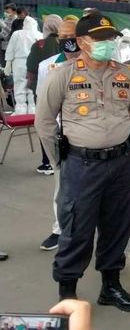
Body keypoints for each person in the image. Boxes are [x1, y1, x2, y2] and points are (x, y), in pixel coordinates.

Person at [35, 13, 130, 310]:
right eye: (101, 39)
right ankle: (67, 294)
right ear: (82, 42)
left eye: (111, 38)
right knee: (76, 230)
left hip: (121, 163)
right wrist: (62, 163)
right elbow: (44, 123)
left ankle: (111, 286)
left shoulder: (128, 74)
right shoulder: (62, 76)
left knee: (118, 224)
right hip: (81, 166)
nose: (108, 44)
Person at [38, 18, 81, 252]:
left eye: (73, 36)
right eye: (64, 37)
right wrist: (54, 148)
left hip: (86, 136)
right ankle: (59, 230)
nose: (69, 41)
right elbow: (43, 109)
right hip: (61, 136)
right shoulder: (48, 66)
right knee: (62, 186)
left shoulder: (94, 65)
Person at [26, 14, 64, 176]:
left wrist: (29, 86)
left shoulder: (39, 45)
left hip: (43, 90)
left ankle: (47, 162)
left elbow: (31, 68)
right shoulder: (67, 44)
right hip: (65, 88)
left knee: (46, 124)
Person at [5, 15, 42, 114]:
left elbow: (10, 50)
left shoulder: (16, 34)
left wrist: (8, 63)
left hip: (19, 63)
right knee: (32, 86)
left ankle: (21, 109)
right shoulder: (39, 35)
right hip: (34, 63)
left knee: (19, 85)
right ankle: (32, 108)